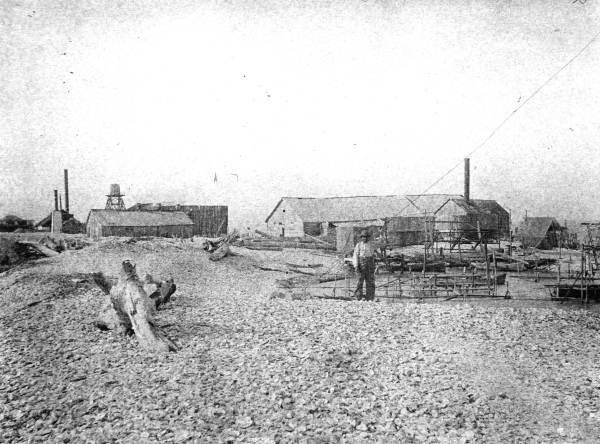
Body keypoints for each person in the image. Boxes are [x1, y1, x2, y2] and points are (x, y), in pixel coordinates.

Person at [352, 229, 376, 301]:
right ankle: (358, 297)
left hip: (369, 265)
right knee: (359, 281)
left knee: (370, 281)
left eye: (366, 237)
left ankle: (370, 297)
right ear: (361, 237)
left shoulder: (371, 245)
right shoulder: (358, 245)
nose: (364, 238)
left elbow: (373, 255)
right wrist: (356, 265)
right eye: (363, 237)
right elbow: (355, 256)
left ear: (368, 237)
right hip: (361, 265)